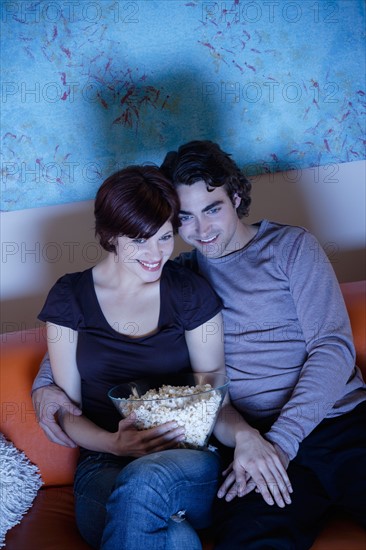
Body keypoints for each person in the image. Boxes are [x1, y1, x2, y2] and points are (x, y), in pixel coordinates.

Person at [32, 141, 366, 548]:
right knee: (242, 540)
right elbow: (95, 328)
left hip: (334, 425)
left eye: (213, 209)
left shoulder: (291, 249)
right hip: (249, 438)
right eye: (185, 218)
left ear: (237, 197)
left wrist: (279, 442)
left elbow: (332, 349)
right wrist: (46, 385)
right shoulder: (183, 276)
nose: (202, 231)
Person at [32, 164, 255, 550]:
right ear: (110, 236)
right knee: (176, 539)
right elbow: (69, 411)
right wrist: (113, 444)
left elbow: (214, 391)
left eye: (165, 237)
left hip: (189, 458)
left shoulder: (189, 293)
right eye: (139, 241)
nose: (156, 254)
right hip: (104, 463)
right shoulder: (70, 297)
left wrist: (246, 435)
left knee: (146, 482)